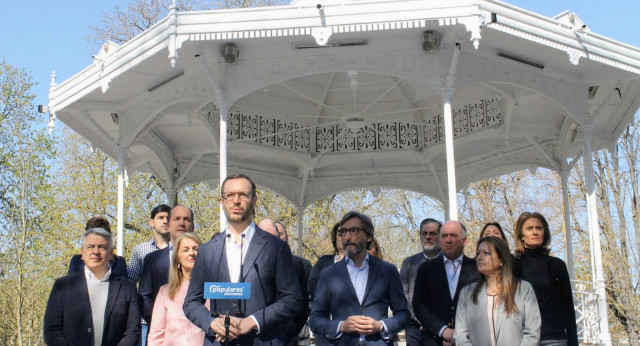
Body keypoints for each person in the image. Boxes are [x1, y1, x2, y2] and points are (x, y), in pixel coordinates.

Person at [184, 174, 303, 345]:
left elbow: (293, 300)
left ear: (254, 200)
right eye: (230, 195)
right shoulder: (206, 251)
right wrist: (211, 322)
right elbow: (191, 302)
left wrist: (252, 321)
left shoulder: (276, 248)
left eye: (243, 195)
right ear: (221, 201)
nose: (236, 201)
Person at [308, 211, 409, 345]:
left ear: (368, 236)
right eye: (343, 232)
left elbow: (403, 315)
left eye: (354, 231)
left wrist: (380, 326)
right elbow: (315, 319)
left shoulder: (387, 271)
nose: (347, 237)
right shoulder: (329, 274)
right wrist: (341, 326)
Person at [44, 228, 140, 345]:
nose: (96, 251)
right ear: (82, 253)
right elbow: (51, 331)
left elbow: (133, 331)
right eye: (90, 247)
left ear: (110, 253)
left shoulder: (127, 288)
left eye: (102, 247)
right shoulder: (63, 286)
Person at [454, 236, 541, 346]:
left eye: (486, 253)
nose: (479, 257)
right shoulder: (467, 293)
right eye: (478, 253)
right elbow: (460, 334)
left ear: (501, 260)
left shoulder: (523, 289)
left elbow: (532, 333)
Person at [512, 212, 578, 346]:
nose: (535, 232)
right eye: (529, 228)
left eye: (539, 228)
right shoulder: (513, 264)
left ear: (545, 233)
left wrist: (573, 342)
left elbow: (568, 308)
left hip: (554, 338)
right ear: (521, 235)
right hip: (522, 339)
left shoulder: (557, 265)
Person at [412, 220, 478, 346]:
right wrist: (444, 331)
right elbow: (419, 305)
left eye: (453, 235)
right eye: (444, 236)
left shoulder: (477, 269)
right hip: (434, 340)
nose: (448, 240)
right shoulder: (426, 269)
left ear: (465, 240)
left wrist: (462, 336)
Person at [148, 233, 208, 346]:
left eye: (196, 249)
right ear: (177, 258)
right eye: (186, 250)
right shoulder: (165, 292)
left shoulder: (213, 290)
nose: (192, 253)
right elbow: (156, 334)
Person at [258, 219, 311, 346]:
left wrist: (290, 328)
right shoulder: (247, 264)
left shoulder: (298, 265)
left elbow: (304, 305)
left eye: (273, 237)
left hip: (286, 336)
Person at [139, 205, 195, 323]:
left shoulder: (205, 257)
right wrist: (162, 322)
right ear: (168, 226)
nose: (181, 223)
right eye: (176, 219)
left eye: (186, 219)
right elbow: (144, 298)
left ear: (193, 226)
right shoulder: (152, 260)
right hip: (162, 332)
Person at [129, 204, 172, 346]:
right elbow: (130, 283)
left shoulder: (181, 250)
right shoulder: (141, 250)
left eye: (168, 218)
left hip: (175, 319)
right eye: (160, 218)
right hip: (146, 320)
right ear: (151, 222)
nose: (165, 221)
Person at [399, 218, 442, 346]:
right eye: (424, 233)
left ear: (440, 236)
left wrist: (433, 322)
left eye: (432, 233)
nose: (428, 237)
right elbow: (403, 296)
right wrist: (420, 317)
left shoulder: (447, 263)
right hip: (415, 328)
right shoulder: (409, 263)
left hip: (442, 327)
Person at [308, 222, 344, 302]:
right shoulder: (323, 262)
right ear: (335, 238)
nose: (344, 237)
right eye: (340, 233)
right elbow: (313, 285)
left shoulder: (361, 263)